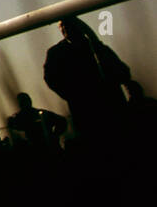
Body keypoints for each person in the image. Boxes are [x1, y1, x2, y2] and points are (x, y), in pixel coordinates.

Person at [44, 16, 130, 152]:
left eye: (68, 25)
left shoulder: (96, 46)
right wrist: (74, 95)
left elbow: (123, 72)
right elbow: (51, 78)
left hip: (112, 109)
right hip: (85, 111)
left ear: (78, 27)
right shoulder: (56, 53)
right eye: (62, 26)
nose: (65, 28)